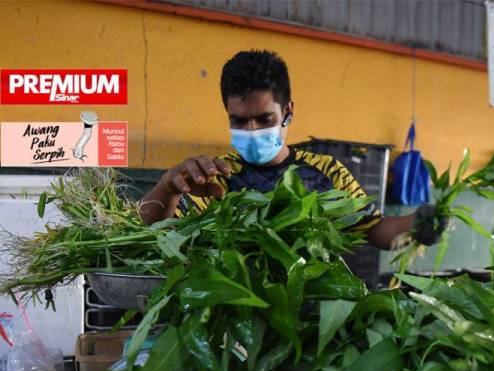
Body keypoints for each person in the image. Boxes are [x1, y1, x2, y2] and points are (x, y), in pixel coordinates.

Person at [140, 50, 445, 249]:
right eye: (239, 120)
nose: (252, 130)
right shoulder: (215, 177)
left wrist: (421, 223)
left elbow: (375, 229)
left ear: (288, 111)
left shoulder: (326, 174)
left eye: (265, 118)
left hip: (307, 317)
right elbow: (159, 233)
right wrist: (168, 188)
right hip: (232, 319)